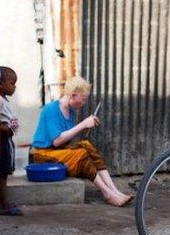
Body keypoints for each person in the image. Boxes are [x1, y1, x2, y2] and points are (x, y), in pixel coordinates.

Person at [31, 77, 132, 207]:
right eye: (83, 99)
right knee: (80, 154)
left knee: (86, 146)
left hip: (58, 151)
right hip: (43, 154)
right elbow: (57, 141)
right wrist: (83, 124)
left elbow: (65, 140)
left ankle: (115, 191)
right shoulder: (51, 109)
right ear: (73, 95)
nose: (84, 103)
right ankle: (107, 193)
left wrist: (85, 127)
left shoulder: (70, 111)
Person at [0, 66, 23, 216]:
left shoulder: (3, 99)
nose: (14, 87)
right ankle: (4, 204)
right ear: (0, 83)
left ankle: (1, 201)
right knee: (3, 173)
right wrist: (5, 128)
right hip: (3, 140)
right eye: (12, 83)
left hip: (7, 139)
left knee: (4, 173)